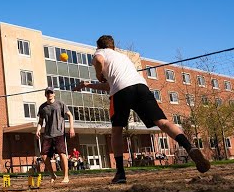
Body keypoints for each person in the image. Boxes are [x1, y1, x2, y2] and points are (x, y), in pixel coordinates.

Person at [73, 35, 211, 184]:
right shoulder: (122, 58)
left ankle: (120, 173)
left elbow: (99, 62)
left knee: (117, 131)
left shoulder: (100, 53)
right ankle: (190, 147)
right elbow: (109, 85)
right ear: (113, 46)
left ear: (98, 46)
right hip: (141, 87)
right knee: (163, 122)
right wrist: (88, 85)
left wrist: (98, 75)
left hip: (120, 93)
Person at [36, 87, 75, 183]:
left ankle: (66, 177)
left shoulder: (60, 104)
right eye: (47, 93)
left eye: (51, 93)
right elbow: (40, 121)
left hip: (59, 133)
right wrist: (38, 130)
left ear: (54, 94)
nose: (49, 94)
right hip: (47, 135)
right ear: (45, 95)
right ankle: (53, 175)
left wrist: (71, 128)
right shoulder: (42, 107)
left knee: (62, 154)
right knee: (44, 156)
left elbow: (70, 115)